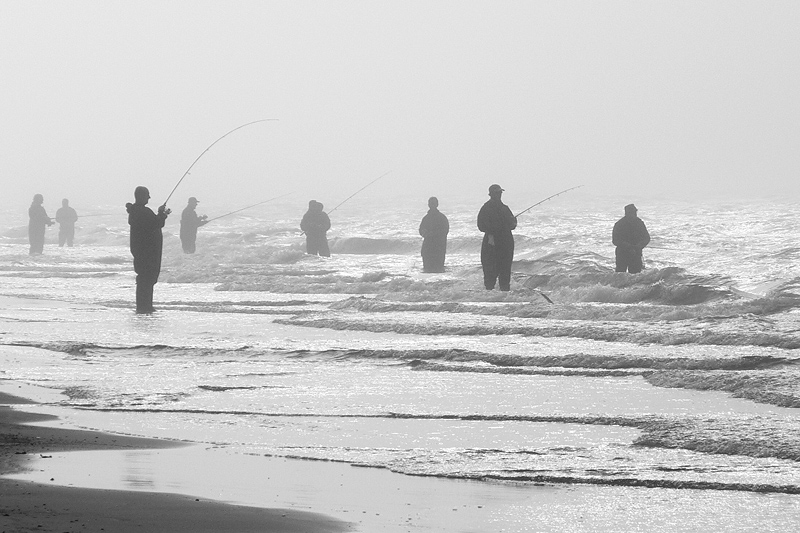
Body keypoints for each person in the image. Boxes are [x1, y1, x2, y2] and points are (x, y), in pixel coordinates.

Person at [126, 186, 170, 314]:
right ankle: (144, 307)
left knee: (144, 278)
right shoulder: (142, 212)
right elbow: (156, 223)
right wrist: (162, 214)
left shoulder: (136, 211)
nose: (149, 198)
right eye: (147, 195)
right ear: (141, 196)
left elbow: (152, 223)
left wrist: (160, 214)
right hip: (147, 251)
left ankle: (144, 306)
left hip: (140, 250)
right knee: (147, 278)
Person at [477, 184, 517, 291]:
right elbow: (481, 226)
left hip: (505, 244)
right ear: (491, 194)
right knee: (490, 275)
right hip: (492, 244)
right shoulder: (486, 208)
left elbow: (513, 225)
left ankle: (503, 298)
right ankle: (490, 300)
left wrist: (512, 221)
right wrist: (496, 228)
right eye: (497, 193)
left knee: (505, 273)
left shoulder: (505, 208)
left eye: (500, 193)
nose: (499, 195)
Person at [612, 203, 650, 273]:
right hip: (622, 253)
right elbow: (615, 240)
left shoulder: (639, 223)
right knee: (620, 275)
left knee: (636, 276)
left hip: (636, 253)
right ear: (627, 213)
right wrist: (627, 246)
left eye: (635, 212)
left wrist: (639, 246)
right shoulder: (619, 224)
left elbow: (646, 238)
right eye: (633, 212)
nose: (635, 214)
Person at [418, 196, 449, 273]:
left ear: (437, 204)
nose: (432, 205)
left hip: (438, 248)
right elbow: (421, 230)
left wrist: (433, 234)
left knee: (439, 270)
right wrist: (423, 232)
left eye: (433, 203)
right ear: (428, 205)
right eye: (431, 203)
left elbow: (445, 231)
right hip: (427, 249)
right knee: (427, 270)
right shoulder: (426, 218)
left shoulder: (442, 217)